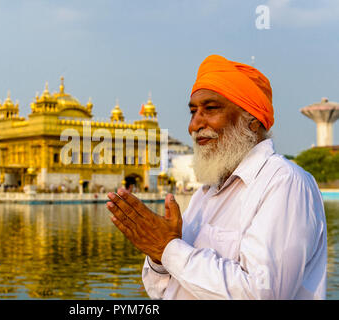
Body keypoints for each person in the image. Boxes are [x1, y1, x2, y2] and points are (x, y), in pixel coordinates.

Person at [106, 55, 327, 299]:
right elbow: (162, 290)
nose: (194, 124)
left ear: (252, 120)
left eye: (210, 109)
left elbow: (262, 293)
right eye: (193, 111)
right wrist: (159, 257)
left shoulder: (283, 182)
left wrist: (168, 248)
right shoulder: (207, 192)